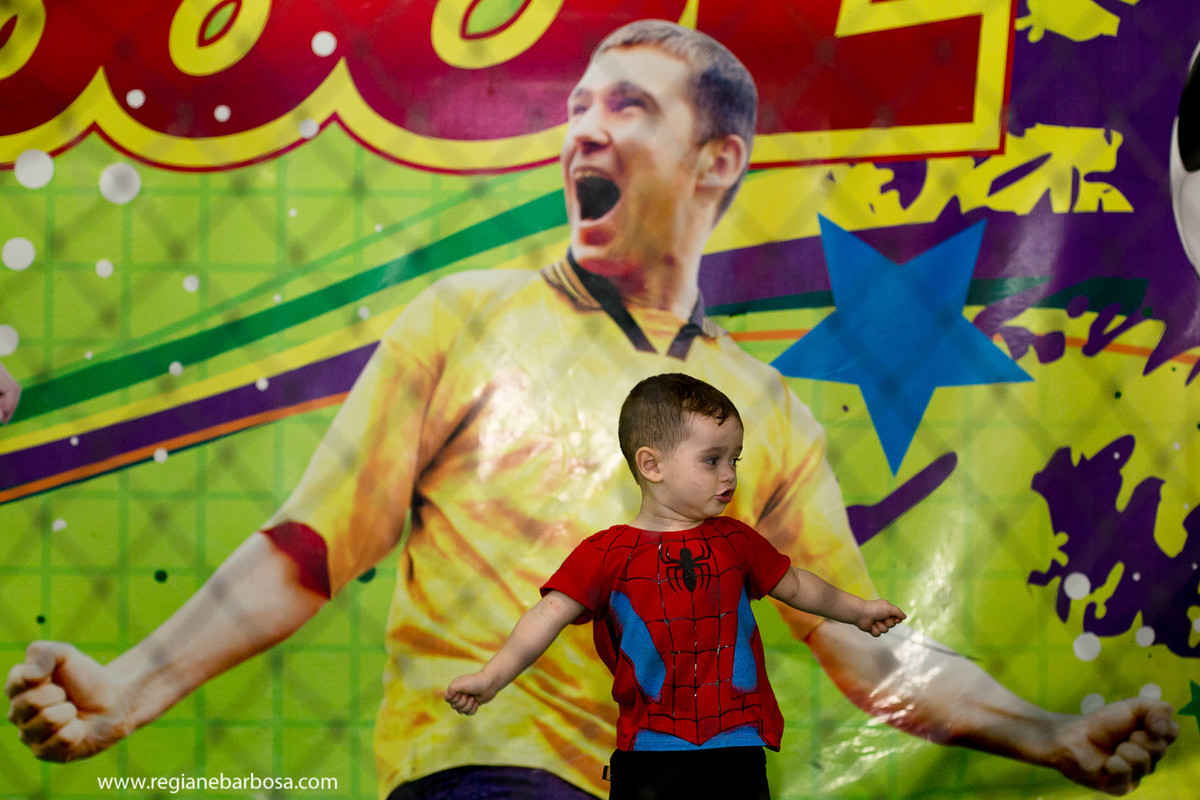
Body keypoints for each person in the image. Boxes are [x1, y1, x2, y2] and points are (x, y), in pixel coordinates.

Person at [5, 19, 1178, 800]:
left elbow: (868, 650)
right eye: (576, 105)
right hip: (490, 768)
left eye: (626, 105)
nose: (583, 129)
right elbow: (308, 550)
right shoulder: (467, 315)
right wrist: (133, 681)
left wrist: (1045, 731)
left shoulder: (767, 409)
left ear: (716, 162)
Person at [445, 373, 907, 799]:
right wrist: (491, 677)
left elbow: (799, 586)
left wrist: (859, 610)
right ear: (652, 464)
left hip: (736, 744)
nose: (729, 474)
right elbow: (545, 615)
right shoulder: (606, 553)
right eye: (712, 460)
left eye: (734, 459)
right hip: (649, 750)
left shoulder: (736, 540)